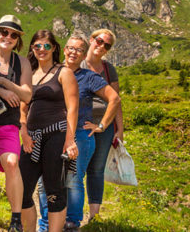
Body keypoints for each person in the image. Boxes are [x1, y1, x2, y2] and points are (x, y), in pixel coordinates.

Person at [18, 30, 78, 232]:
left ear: (54, 48)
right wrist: (23, 132)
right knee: (22, 191)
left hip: (57, 135)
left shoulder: (64, 72)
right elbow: (22, 107)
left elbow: (73, 108)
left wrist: (70, 140)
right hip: (31, 138)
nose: (41, 50)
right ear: (32, 48)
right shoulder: (28, 74)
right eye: (37, 46)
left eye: (46, 46)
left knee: (54, 192)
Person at [61, 35, 121, 230]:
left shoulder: (94, 74)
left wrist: (105, 126)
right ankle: (51, 219)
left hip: (83, 131)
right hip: (57, 132)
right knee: (54, 178)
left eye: (78, 49)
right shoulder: (56, 71)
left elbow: (115, 100)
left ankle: (76, 221)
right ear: (64, 49)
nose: (73, 52)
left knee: (78, 175)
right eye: (70, 48)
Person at [0, 15, 33, 232]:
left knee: (11, 163)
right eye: (4, 32)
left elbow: (27, 95)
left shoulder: (21, 63)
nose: (8, 37)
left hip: (8, 124)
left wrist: (3, 81)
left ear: (18, 40)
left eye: (13, 34)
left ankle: (15, 220)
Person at [82, 29, 124, 223]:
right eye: (99, 41)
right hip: (81, 123)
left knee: (97, 169)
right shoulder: (78, 63)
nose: (102, 46)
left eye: (107, 45)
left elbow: (116, 101)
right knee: (76, 168)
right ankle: (70, 212)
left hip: (104, 125)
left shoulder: (109, 69)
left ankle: (94, 216)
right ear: (91, 40)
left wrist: (119, 129)